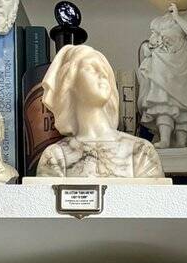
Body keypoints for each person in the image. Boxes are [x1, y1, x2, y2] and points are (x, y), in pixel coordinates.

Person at [35, 45, 166, 180]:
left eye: (104, 70)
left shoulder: (141, 152)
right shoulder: (55, 156)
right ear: (70, 83)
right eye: (92, 68)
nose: (102, 74)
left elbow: (152, 200)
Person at [137, 5, 187, 151]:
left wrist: (177, 16)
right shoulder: (158, 21)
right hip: (161, 62)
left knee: (183, 102)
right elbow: (152, 39)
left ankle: (181, 142)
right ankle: (165, 140)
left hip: (182, 61)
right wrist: (149, 46)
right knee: (162, 100)